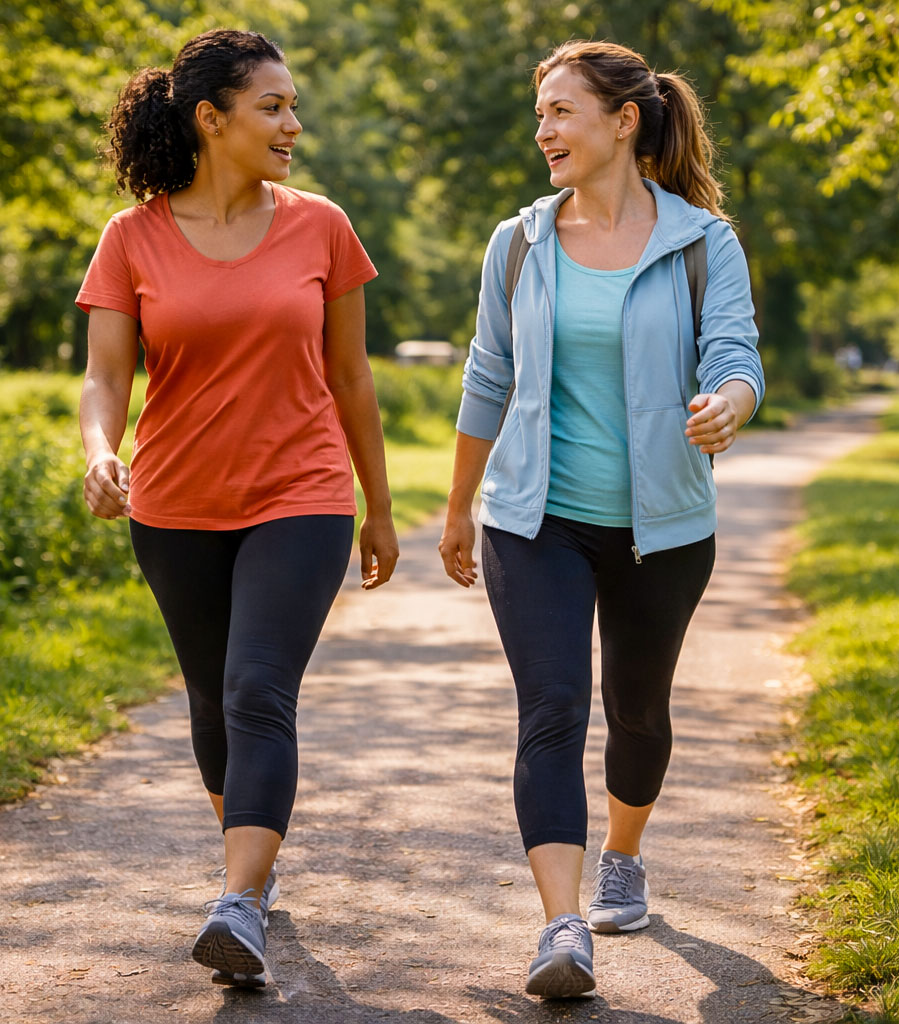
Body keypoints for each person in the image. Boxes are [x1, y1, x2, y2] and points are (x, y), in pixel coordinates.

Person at [438, 40, 763, 1000]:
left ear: (623, 121)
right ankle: (562, 924)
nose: (543, 131)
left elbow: (736, 352)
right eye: (539, 114)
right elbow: (488, 373)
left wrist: (729, 405)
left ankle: (624, 855)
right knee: (550, 709)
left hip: (662, 527)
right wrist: (457, 507)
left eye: (560, 112)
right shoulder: (520, 242)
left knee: (638, 710)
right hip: (533, 520)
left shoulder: (702, 242)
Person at [77, 28, 398, 990]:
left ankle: (239, 900)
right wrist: (100, 451)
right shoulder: (130, 237)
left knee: (259, 688)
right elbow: (105, 378)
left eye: (294, 106)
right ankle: (246, 867)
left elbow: (351, 378)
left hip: (301, 494)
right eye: (274, 107)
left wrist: (379, 507)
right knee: (213, 698)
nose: (293, 125)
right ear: (211, 119)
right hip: (174, 502)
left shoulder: (322, 226)